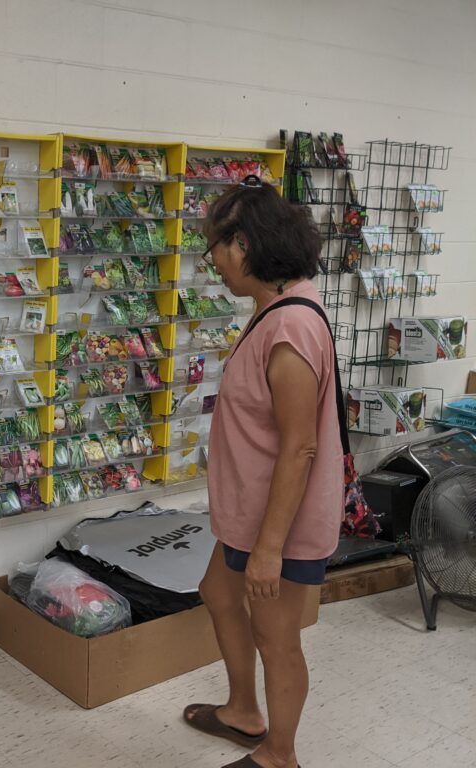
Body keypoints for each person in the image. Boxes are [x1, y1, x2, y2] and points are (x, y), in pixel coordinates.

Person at [182, 176, 342, 768]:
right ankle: (244, 711)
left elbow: (300, 447)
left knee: (277, 638)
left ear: (244, 245)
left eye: (216, 249)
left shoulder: (291, 326)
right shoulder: (273, 308)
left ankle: (280, 752)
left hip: (278, 526)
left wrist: (269, 550)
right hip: (247, 515)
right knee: (216, 594)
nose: (214, 263)